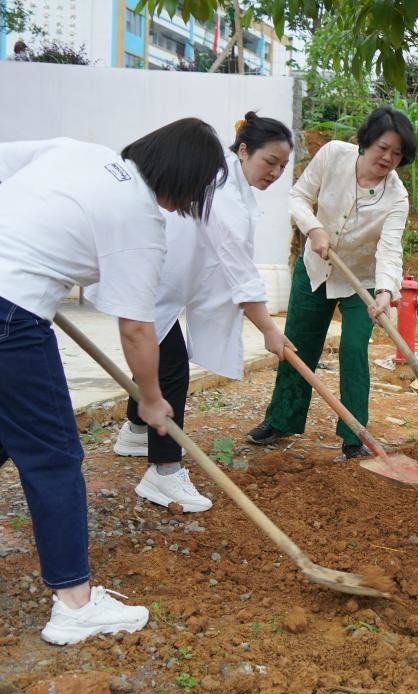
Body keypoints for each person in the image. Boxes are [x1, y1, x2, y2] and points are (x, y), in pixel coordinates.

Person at [0, 119, 225, 644]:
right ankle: (74, 604)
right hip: (12, 316)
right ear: (186, 180)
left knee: (11, 430)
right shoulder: (140, 219)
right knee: (53, 457)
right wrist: (151, 400)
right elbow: (136, 329)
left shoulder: (78, 151)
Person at [107, 111, 295, 513]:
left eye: (282, 166)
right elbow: (238, 267)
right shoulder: (223, 187)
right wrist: (267, 328)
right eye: (269, 162)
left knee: (161, 359)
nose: (275, 173)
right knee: (170, 368)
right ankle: (164, 472)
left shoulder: (233, 181)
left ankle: (136, 430)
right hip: (151, 281)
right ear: (243, 149)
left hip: (166, 284)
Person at [247, 107, 416, 461]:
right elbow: (297, 196)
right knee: (298, 344)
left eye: (397, 153)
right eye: (383, 148)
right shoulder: (333, 155)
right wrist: (314, 228)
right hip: (314, 269)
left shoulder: (396, 197)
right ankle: (282, 419)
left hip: (361, 281)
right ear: (366, 141)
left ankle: (355, 436)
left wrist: (385, 291)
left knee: (355, 349)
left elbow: (390, 247)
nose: (388, 158)